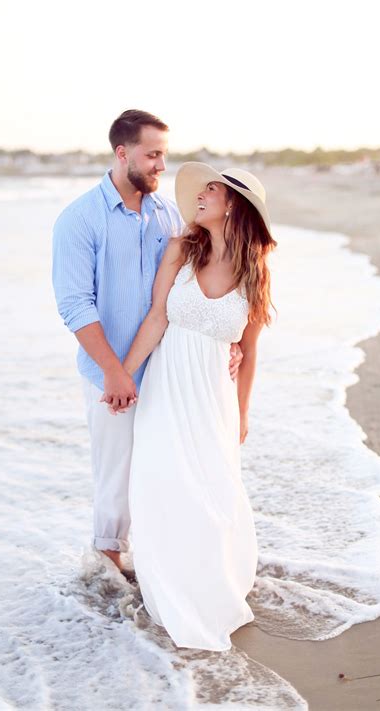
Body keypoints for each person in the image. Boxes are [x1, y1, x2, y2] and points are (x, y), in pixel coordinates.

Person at [52, 111, 243, 579]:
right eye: (152, 154)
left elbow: (198, 281)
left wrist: (225, 336)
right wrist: (115, 371)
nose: (161, 165)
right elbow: (76, 306)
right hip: (110, 369)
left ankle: (163, 565)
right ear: (123, 154)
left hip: (169, 370)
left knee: (165, 468)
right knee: (115, 475)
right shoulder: (79, 219)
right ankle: (108, 578)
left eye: (164, 154)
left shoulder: (168, 216)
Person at [118, 162, 277, 650]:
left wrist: (244, 413)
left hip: (215, 397)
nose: (201, 196)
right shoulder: (180, 250)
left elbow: (248, 353)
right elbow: (156, 318)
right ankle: (168, 582)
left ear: (235, 205)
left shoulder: (256, 272)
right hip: (168, 387)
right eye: (204, 189)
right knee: (164, 481)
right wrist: (122, 375)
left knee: (213, 489)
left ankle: (209, 581)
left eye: (213, 190)